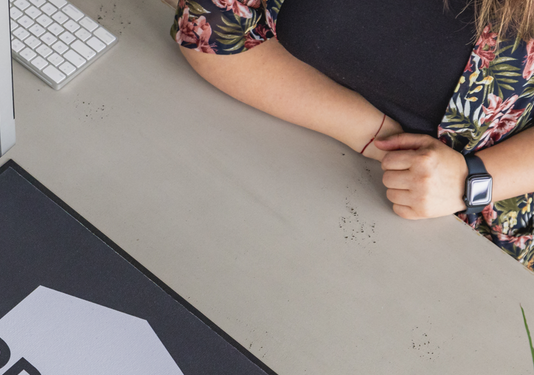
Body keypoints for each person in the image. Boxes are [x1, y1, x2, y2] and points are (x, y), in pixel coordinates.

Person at [170, 0, 534, 271]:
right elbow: (211, 33)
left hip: (507, 247)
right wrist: (371, 132)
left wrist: (470, 180)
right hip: (339, 199)